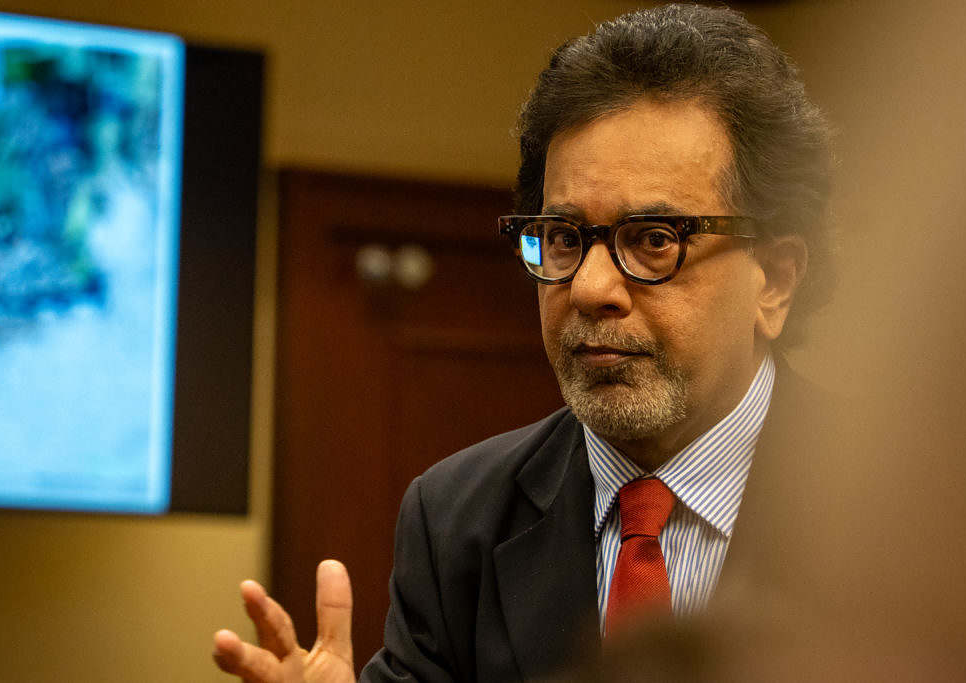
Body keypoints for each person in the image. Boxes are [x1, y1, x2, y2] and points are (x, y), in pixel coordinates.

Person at [213, 4, 834, 681]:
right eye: (564, 238)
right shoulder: (457, 519)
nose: (590, 287)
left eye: (655, 240)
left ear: (775, 280)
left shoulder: (904, 510)